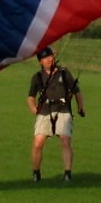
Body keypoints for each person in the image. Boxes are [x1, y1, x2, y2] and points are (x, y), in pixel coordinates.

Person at [26, 45, 84, 182]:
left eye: (50, 57)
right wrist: (33, 108)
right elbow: (30, 96)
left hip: (63, 109)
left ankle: (67, 174)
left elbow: (77, 91)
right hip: (45, 110)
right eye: (45, 58)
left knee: (65, 140)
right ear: (40, 61)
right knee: (38, 143)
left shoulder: (64, 73)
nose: (48, 60)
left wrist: (80, 106)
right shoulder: (37, 77)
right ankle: (36, 173)